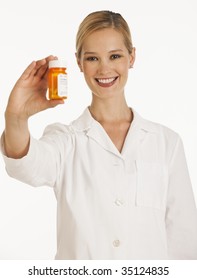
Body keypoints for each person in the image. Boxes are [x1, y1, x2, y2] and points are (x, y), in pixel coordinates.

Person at [1, 10, 197, 260]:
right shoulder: (66, 140)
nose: (104, 69)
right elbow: (24, 165)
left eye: (115, 55)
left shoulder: (166, 142)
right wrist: (16, 116)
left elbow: (184, 239)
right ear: (79, 63)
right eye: (92, 58)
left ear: (132, 56)